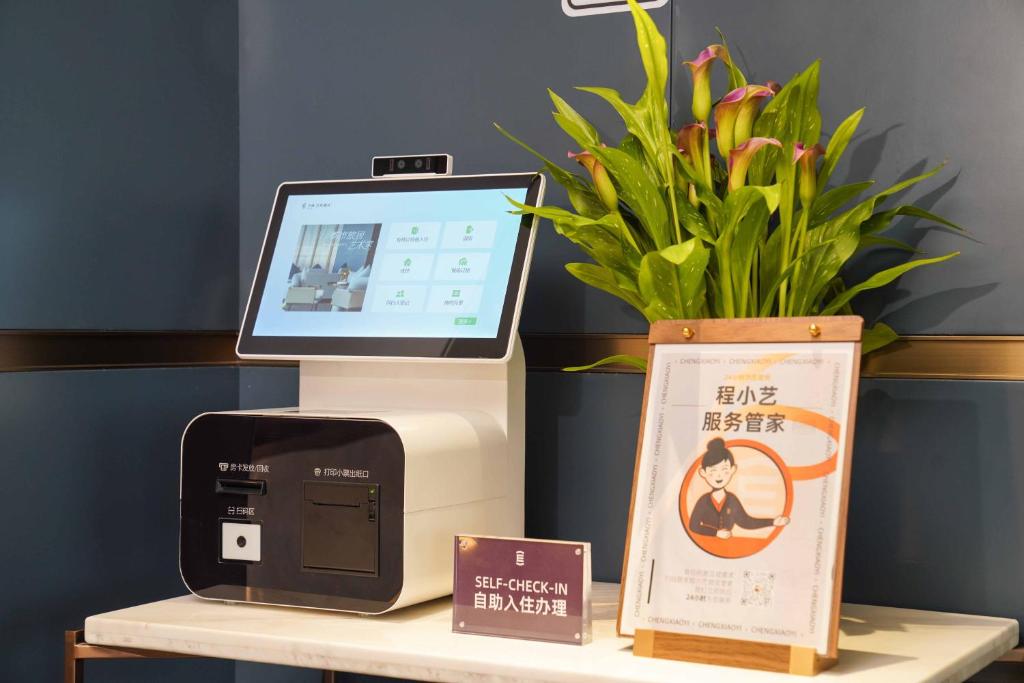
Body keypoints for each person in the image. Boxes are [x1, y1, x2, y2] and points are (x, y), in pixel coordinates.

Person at [689, 438, 789, 539]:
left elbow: (746, 522)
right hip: (704, 543)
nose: (719, 476)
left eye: (724, 470)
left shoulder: (732, 500)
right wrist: (715, 533)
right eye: (713, 471)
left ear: (732, 469)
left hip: (727, 545)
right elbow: (693, 526)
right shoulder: (703, 501)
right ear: (703, 473)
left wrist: (773, 522)